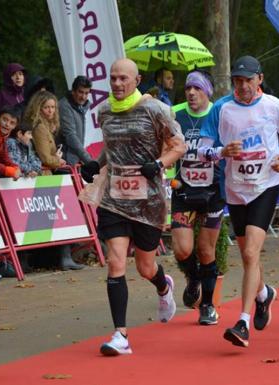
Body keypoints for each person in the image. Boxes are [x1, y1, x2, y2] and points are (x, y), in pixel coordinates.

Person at [198, 55, 279, 347]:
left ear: (260, 80)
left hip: (266, 185)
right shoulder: (221, 108)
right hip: (236, 189)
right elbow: (203, 150)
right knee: (247, 255)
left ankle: (242, 321)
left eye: (247, 80)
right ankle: (264, 294)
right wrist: (221, 152)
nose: (241, 86)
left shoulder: (274, 106)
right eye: (237, 81)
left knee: (251, 253)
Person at [88, 58, 185, 356]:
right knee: (116, 262)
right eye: (113, 78)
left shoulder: (155, 109)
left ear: (137, 79)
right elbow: (113, 147)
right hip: (114, 199)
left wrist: (157, 164)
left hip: (148, 201)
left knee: (145, 266)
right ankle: (121, 335)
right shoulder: (104, 111)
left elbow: (179, 145)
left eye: (123, 79)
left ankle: (163, 285)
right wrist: (97, 163)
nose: (117, 84)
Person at [170, 70, 224, 325]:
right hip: (183, 190)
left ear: (207, 91)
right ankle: (193, 278)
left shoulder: (219, 113)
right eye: (188, 88)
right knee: (182, 250)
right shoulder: (175, 114)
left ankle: (208, 305)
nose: (191, 93)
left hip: (212, 193)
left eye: (197, 88)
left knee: (205, 249)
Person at [24, 90, 84, 271]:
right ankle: (57, 259)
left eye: (52, 107)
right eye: (46, 107)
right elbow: (45, 158)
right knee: (47, 222)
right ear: (38, 108)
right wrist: (59, 160)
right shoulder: (40, 128)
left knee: (48, 222)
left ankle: (58, 259)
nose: (50, 111)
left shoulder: (46, 126)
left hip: (47, 177)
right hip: (43, 178)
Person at [58, 75, 93, 166]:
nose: (84, 97)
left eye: (86, 93)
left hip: (74, 161)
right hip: (64, 161)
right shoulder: (64, 106)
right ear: (73, 91)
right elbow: (70, 136)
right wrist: (88, 159)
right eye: (81, 92)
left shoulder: (79, 107)